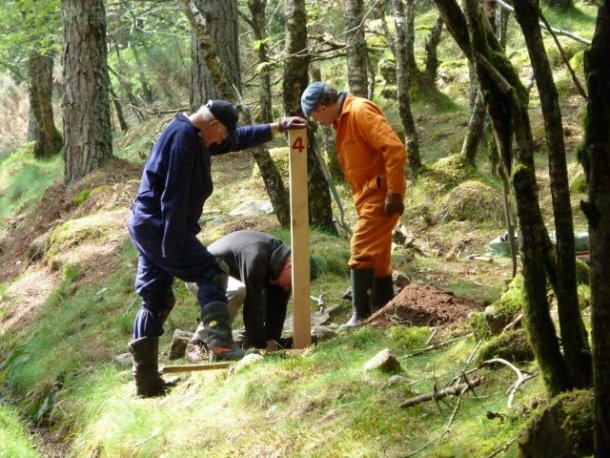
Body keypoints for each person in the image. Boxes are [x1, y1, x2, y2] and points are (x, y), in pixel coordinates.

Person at [127, 101, 306, 397]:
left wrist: (275, 128)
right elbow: (173, 198)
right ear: (213, 125)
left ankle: (145, 381)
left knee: (155, 300)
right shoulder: (183, 141)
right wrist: (173, 248)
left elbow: (236, 140)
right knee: (211, 272)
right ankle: (221, 346)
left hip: (148, 226)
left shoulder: (195, 135)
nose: (222, 141)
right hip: (161, 227)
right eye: (221, 134)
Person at [301, 82, 407, 329]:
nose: (315, 120)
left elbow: (395, 150)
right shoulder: (342, 121)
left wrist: (394, 193)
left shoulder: (359, 111)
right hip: (368, 196)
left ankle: (360, 315)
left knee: (360, 248)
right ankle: (382, 309)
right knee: (378, 256)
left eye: (314, 115)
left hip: (381, 195)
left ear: (324, 107)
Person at [186, 230, 310, 356]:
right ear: (289, 267)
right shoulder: (257, 256)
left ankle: (240, 341)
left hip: (222, 276)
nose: (288, 287)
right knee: (237, 291)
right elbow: (252, 306)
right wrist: (261, 346)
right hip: (199, 275)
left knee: (256, 293)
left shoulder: (278, 263)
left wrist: (272, 340)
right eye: (291, 283)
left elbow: (277, 309)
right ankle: (199, 343)